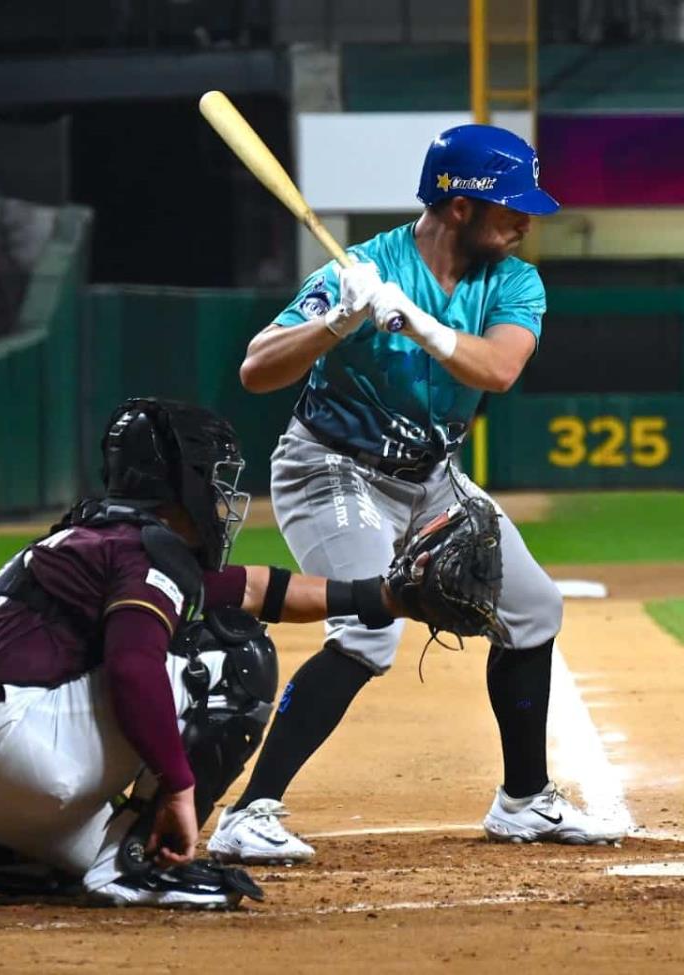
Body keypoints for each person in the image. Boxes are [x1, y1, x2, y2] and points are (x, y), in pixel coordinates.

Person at [0, 398, 456, 910]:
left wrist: (389, 596)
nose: (221, 495)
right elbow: (133, 668)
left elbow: (249, 588)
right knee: (235, 654)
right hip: (27, 754)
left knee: (224, 623)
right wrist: (177, 786)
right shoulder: (144, 552)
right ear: (181, 481)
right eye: (213, 476)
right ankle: (137, 860)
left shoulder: (94, 536)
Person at [216, 124, 625, 864]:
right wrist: (337, 321)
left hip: (431, 476)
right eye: (510, 207)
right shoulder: (365, 268)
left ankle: (524, 801)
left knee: (535, 609)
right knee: (370, 626)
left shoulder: (514, 280)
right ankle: (249, 811)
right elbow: (255, 368)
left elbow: (498, 369)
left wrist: (422, 324)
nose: (524, 222)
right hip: (331, 467)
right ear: (460, 205)